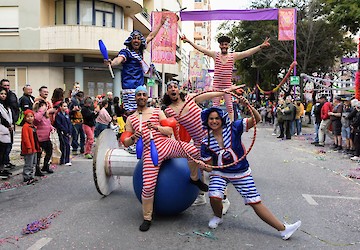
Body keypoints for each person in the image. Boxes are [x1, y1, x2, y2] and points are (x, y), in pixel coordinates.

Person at [199, 105, 301, 240]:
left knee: (254, 201)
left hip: (240, 171)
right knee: (214, 196)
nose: (214, 121)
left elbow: (256, 119)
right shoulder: (206, 141)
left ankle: (283, 229)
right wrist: (203, 166)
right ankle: (218, 216)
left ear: (222, 119)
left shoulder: (234, 128)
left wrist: (247, 104)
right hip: (220, 172)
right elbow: (210, 167)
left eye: (217, 118)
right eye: (211, 119)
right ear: (206, 120)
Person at [123, 86, 202, 232]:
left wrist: (156, 127)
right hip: (149, 152)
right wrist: (134, 137)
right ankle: (147, 218)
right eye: (138, 95)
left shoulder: (157, 111)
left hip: (167, 144)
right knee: (147, 187)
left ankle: (194, 178)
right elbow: (126, 141)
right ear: (135, 98)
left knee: (193, 151)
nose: (141, 97)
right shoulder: (131, 118)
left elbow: (169, 131)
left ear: (147, 97)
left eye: (144, 94)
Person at [163, 80, 241, 209]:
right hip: (198, 141)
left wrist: (226, 90)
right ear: (168, 92)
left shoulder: (189, 98)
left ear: (178, 90)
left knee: (216, 168)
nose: (173, 89)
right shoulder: (168, 111)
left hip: (212, 136)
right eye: (170, 87)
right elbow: (163, 124)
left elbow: (210, 94)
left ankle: (224, 199)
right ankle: (201, 196)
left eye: (175, 87)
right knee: (199, 167)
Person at [181, 35, 270, 121]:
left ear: (228, 45)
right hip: (216, 87)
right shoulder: (215, 55)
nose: (224, 46)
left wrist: (261, 46)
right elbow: (201, 49)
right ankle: (214, 124)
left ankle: (231, 126)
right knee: (215, 107)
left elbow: (247, 52)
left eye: (226, 44)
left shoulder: (233, 56)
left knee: (230, 107)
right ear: (219, 45)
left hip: (228, 87)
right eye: (222, 44)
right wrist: (189, 41)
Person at [105, 15, 166, 112]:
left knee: (141, 112)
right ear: (130, 41)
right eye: (134, 38)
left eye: (138, 38)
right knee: (132, 114)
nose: (136, 40)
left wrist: (160, 24)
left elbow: (151, 36)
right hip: (129, 87)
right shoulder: (126, 52)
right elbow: (119, 59)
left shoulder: (140, 51)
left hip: (140, 87)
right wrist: (112, 63)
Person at [33, 100, 54, 175]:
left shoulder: (45, 115)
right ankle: (37, 169)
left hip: (46, 137)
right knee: (39, 154)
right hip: (39, 137)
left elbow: (47, 123)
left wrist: (51, 127)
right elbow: (36, 120)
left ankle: (46, 165)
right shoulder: (37, 114)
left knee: (49, 151)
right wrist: (41, 111)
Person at [0, 79, 18, 169]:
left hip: (11, 124)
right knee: (3, 148)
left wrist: (15, 120)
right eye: (4, 85)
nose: (6, 87)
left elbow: (16, 109)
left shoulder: (11, 96)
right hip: (3, 127)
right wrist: (7, 125)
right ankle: (3, 165)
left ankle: (5, 163)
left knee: (9, 146)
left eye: (8, 85)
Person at [21, 109, 41, 185]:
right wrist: (29, 147)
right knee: (28, 164)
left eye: (31, 116)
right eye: (28, 117)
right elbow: (26, 138)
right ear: (25, 118)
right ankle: (26, 177)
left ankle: (31, 176)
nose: (30, 118)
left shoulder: (33, 127)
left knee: (33, 163)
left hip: (34, 148)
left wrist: (38, 147)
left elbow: (36, 138)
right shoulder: (25, 127)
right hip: (29, 149)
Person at [0, 86, 14, 179]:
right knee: (1, 151)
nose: (3, 95)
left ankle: (2, 168)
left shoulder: (6, 105)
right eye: (1, 94)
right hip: (2, 129)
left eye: (5, 94)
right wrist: (8, 125)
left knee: (5, 151)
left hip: (8, 130)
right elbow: (1, 118)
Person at [54, 101, 72, 166]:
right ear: (60, 107)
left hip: (67, 132)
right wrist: (64, 131)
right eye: (64, 106)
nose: (65, 107)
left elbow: (69, 123)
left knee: (67, 146)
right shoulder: (58, 115)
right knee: (64, 145)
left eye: (66, 106)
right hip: (62, 132)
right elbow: (59, 124)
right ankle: (63, 160)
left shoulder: (66, 114)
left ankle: (67, 159)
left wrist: (69, 131)